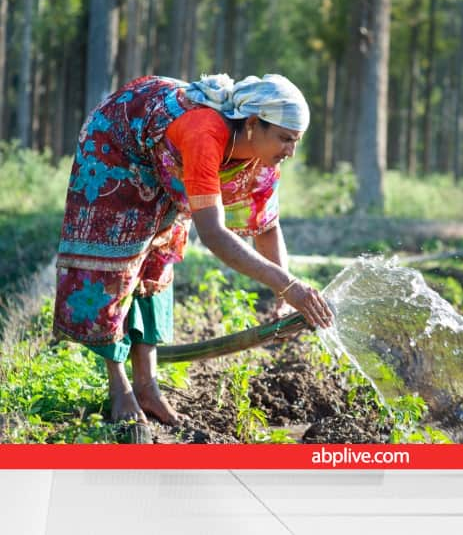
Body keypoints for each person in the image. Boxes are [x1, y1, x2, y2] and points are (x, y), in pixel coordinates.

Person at [53, 73, 334, 434]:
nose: (290, 151)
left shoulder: (264, 161)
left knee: (159, 260)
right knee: (117, 263)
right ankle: (119, 385)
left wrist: (284, 296)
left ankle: (147, 386)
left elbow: (265, 225)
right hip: (118, 145)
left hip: (166, 157)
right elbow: (214, 234)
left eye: (295, 142)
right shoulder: (206, 133)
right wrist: (288, 284)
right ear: (252, 124)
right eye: (284, 138)